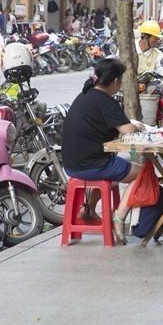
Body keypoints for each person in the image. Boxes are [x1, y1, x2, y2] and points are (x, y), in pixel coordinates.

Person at [62, 59, 143, 244]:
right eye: (120, 81)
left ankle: (89, 210)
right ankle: (119, 217)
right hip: (91, 165)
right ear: (115, 81)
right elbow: (128, 131)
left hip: (72, 165)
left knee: (111, 170)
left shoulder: (85, 95)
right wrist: (139, 127)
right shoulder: (106, 101)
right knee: (141, 172)